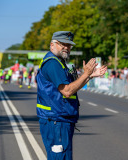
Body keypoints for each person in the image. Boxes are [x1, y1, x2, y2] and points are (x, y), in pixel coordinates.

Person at [36, 31, 107, 160]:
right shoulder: (53, 63)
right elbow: (67, 91)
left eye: (69, 45)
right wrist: (86, 74)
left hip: (59, 119)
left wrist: (90, 75)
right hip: (56, 120)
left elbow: (71, 87)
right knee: (60, 157)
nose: (67, 48)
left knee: (62, 156)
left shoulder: (58, 61)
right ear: (53, 44)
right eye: (63, 44)